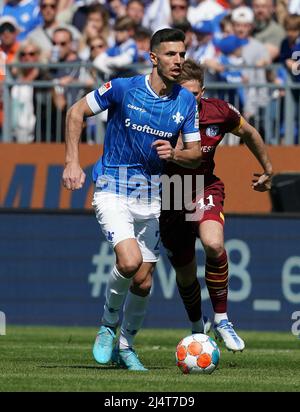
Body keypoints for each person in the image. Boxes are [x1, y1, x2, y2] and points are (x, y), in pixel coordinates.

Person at [62, 29, 202, 371]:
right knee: (128, 262)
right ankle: (108, 326)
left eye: (182, 54)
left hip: (153, 195)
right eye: (170, 54)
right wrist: (72, 160)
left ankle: (126, 346)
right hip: (112, 186)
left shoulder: (185, 100)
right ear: (153, 57)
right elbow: (75, 112)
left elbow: (196, 154)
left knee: (143, 279)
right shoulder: (123, 88)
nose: (178, 61)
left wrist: (177, 154)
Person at [160, 59, 273, 352]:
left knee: (213, 243)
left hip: (203, 187)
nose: (190, 99)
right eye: (184, 93)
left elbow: (248, 132)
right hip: (172, 193)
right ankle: (198, 328)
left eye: (195, 94)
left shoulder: (218, 112)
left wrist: (267, 169)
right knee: (185, 274)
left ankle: (222, 319)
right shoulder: (162, 113)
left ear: (203, 91)